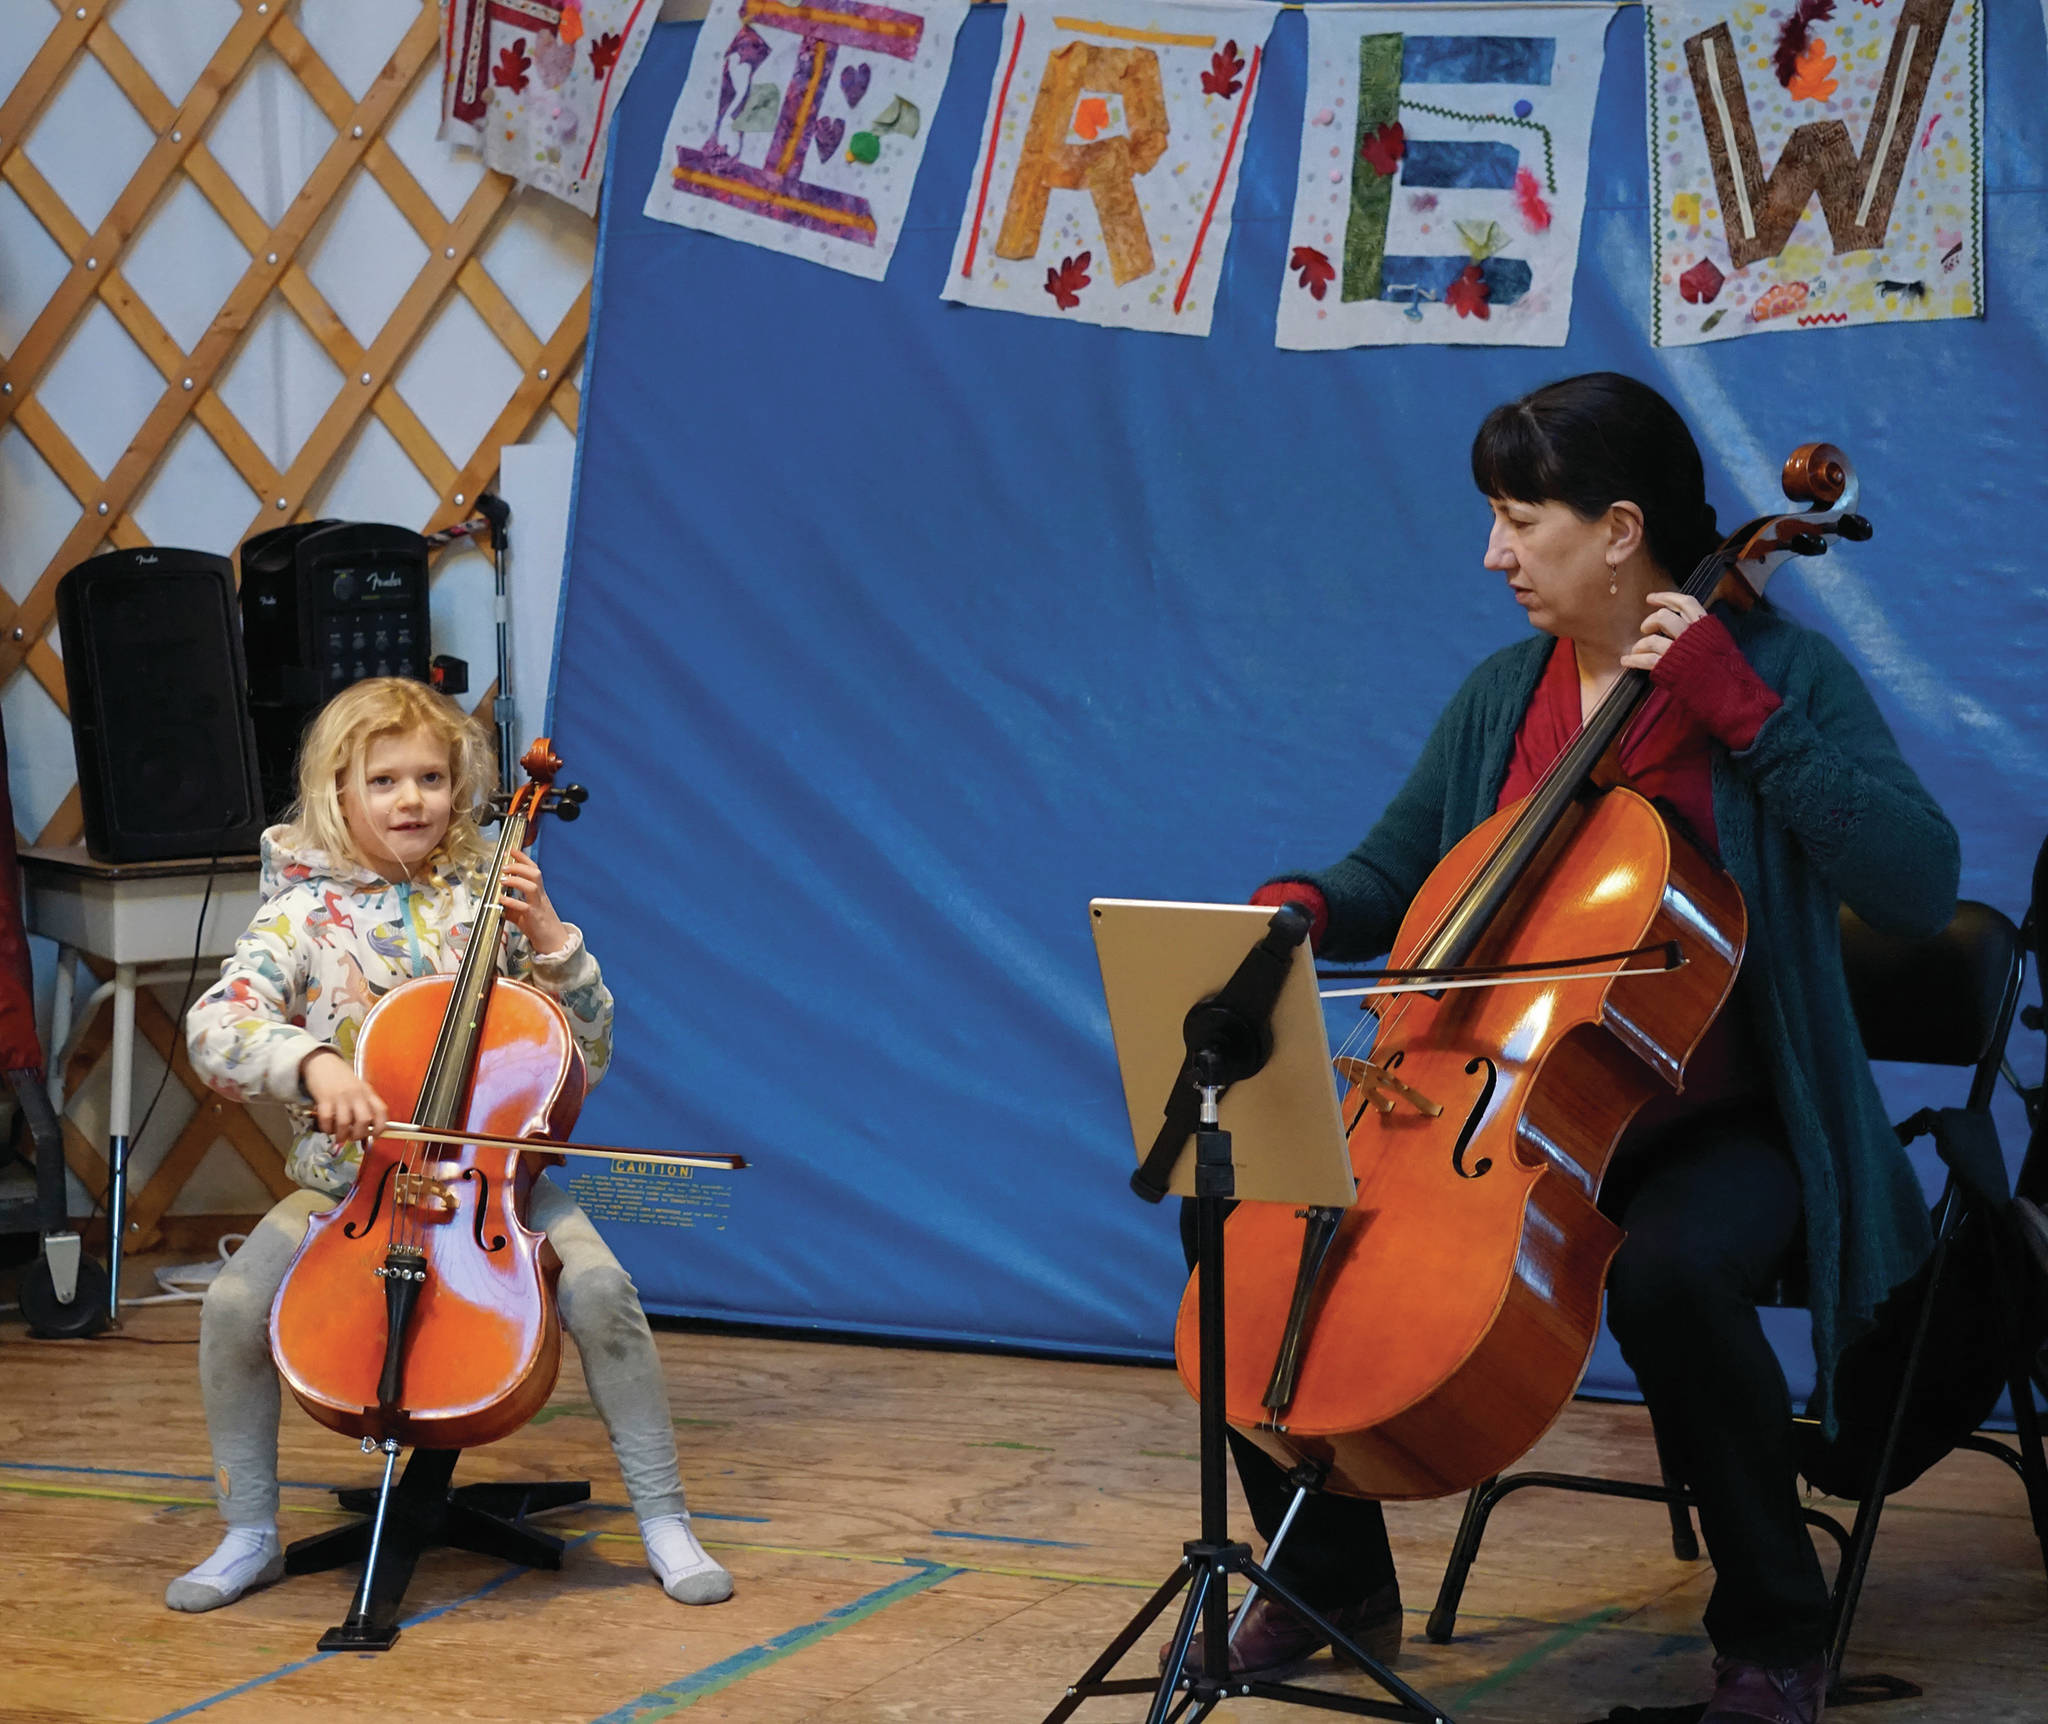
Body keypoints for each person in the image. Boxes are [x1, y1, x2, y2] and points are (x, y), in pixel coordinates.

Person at [1184, 373, 1957, 1724]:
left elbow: (1915, 884)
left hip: (1728, 1121)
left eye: (1516, 518)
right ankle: (1329, 1581)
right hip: (1502, 1117)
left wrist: (1744, 716)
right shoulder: (1506, 695)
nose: (1493, 553)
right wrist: (1306, 903)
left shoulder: (1782, 676)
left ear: (1617, 530)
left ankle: (1777, 1633)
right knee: (1238, 1213)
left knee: (1671, 1275)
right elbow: (1394, 867)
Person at [171, 677, 733, 1614]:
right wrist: (312, 1064)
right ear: (337, 790)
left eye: (431, 779)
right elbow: (216, 1026)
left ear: (459, 788)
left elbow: (581, 1057)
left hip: (494, 1187)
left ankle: (665, 1520)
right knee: (232, 1305)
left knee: (603, 1293)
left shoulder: (487, 896)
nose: (411, 800)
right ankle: (249, 1532)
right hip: (348, 1189)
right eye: (383, 780)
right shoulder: (299, 917)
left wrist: (551, 940)